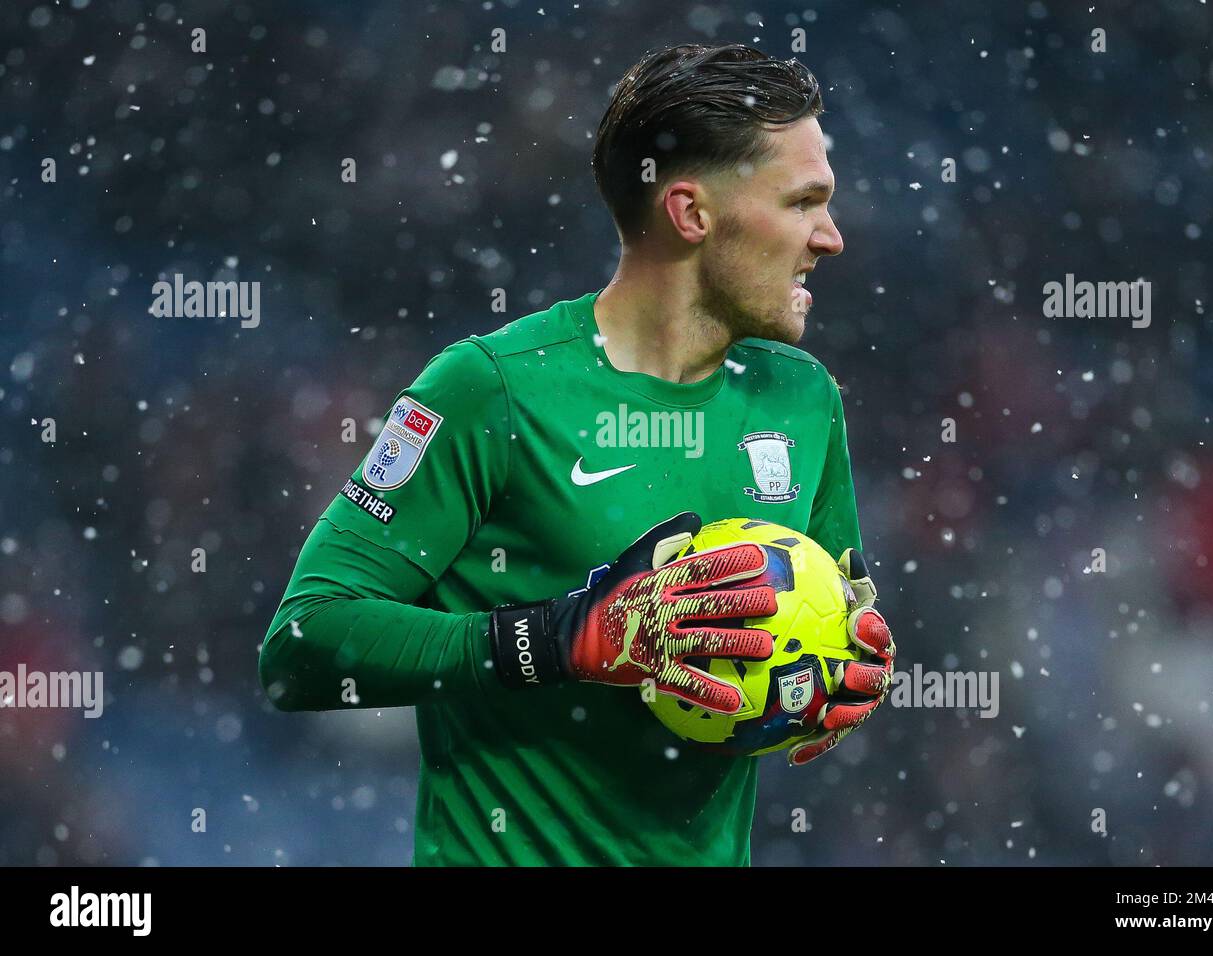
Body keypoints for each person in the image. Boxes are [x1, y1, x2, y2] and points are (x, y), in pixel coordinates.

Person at [260, 42, 895, 866]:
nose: (832, 238)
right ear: (691, 213)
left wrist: (848, 673)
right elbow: (303, 645)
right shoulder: (490, 389)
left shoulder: (802, 401)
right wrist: (561, 639)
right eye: (805, 202)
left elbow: (825, 622)